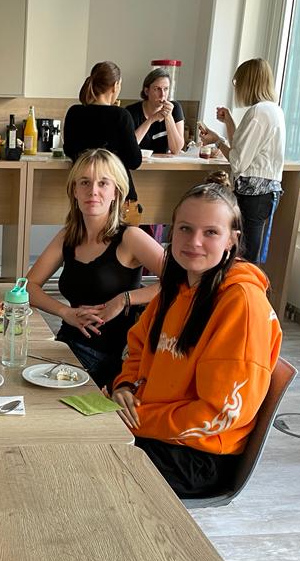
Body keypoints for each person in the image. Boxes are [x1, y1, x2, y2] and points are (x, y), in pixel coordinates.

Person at [110, 172, 282, 498]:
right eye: (185, 229)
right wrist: (125, 387)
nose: (194, 242)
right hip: (153, 428)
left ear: (232, 239)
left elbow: (221, 413)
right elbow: (138, 347)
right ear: (171, 230)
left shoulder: (242, 303)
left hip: (198, 455)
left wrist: (137, 419)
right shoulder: (178, 286)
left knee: (87, 472)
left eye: (211, 232)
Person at [26, 148, 164, 388]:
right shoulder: (69, 236)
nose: (93, 191)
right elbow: (27, 287)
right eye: (85, 183)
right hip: (67, 345)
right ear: (74, 191)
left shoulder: (130, 237)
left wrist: (124, 299)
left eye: (103, 183)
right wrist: (65, 312)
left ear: (116, 192)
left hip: (109, 359)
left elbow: (185, 280)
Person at [198, 58, 285, 264]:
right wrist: (229, 121)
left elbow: (238, 162)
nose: (236, 89)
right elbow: (243, 147)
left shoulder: (258, 112)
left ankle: (241, 285)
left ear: (247, 83)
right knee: (247, 253)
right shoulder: (273, 110)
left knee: (244, 256)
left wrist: (217, 141)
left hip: (254, 194)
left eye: (237, 83)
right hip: (266, 192)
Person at [63, 61, 142, 222]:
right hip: (117, 195)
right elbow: (134, 161)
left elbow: (70, 150)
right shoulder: (121, 115)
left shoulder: (74, 113)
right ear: (115, 86)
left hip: (85, 196)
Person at [125, 66, 185, 155]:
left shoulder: (175, 108)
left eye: (166, 89)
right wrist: (151, 119)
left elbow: (176, 150)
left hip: (163, 163)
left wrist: (168, 116)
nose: (162, 94)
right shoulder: (131, 111)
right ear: (146, 91)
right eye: (157, 89)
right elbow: (129, 147)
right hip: (138, 162)